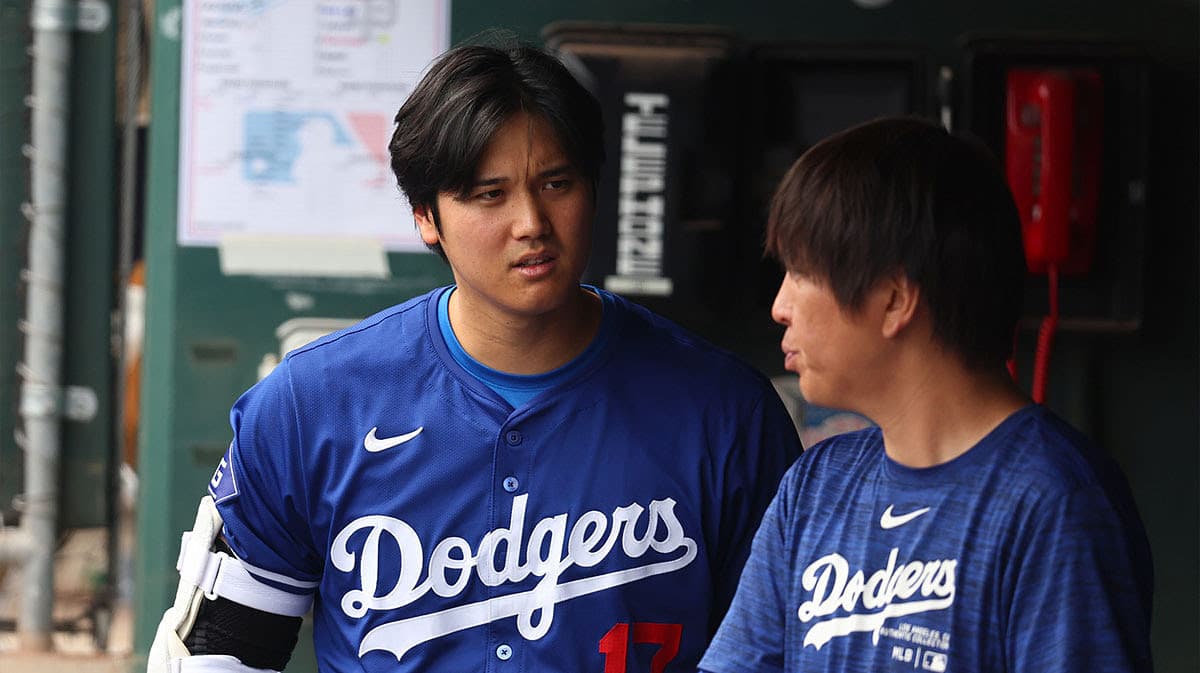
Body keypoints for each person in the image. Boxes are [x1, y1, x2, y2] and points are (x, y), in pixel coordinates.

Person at [147, 41, 803, 673]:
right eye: (489, 194)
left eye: (556, 182)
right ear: (426, 216)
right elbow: (213, 651)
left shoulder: (725, 412)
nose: (531, 223)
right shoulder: (308, 405)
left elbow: (787, 651)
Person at [699, 117, 1153, 673]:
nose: (780, 306)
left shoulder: (1054, 499)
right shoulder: (815, 485)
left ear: (894, 299)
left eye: (800, 272)